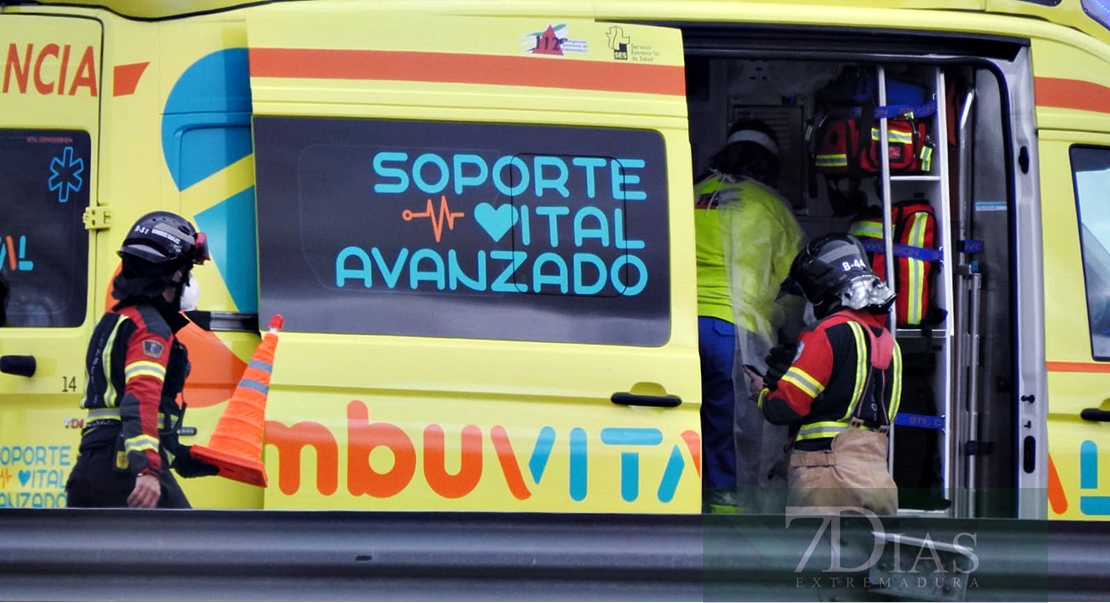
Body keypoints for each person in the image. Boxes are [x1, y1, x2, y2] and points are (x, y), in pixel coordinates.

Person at [66, 211, 218, 508]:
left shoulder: (115, 320)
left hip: (93, 468)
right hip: (124, 470)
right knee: (192, 550)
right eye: (188, 270)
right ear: (174, 274)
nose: (189, 280)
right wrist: (148, 469)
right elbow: (140, 399)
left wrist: (185, 458)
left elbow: (117, 413)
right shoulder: (150, 329)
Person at [693, 118, 804, 513]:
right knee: (734, 429)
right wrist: (792, 337)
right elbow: (794, 286)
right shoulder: (771, 206)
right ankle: (728, 516)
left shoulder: (693, 194)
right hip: (734, 333)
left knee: (687, 423)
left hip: (680, 331)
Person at [747, 234, 902, 515]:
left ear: (821, 292)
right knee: (866, 559)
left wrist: (763, 394)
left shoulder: (825, 333)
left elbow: (786, 407)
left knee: (815, 557)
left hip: (827, 478)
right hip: (877, 475)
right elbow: (849, 399)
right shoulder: (887, 342)